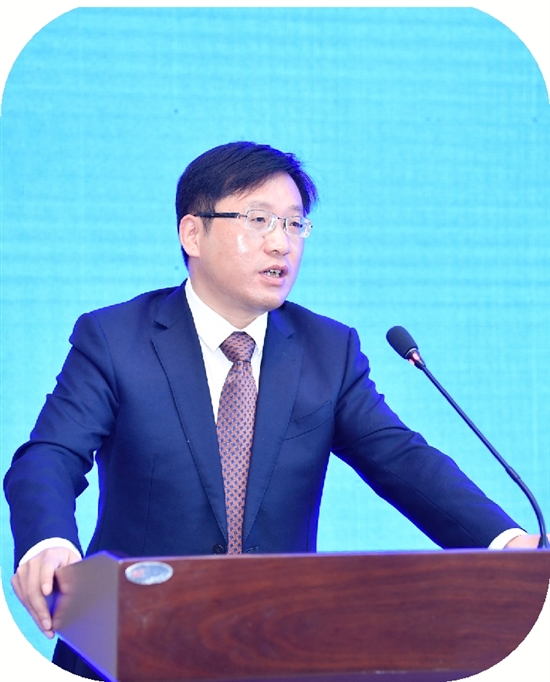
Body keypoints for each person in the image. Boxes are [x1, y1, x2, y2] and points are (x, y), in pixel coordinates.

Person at [4, 142, 542, 680]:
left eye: (294, 224)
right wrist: (49, 541)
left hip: (278, 647)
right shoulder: (116, 339)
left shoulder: (327, 351)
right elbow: (50, 455)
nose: (281, 243)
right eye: (258, 220)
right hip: (127, 643)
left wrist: (507, 543)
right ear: (193, 233)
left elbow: (401, 460)